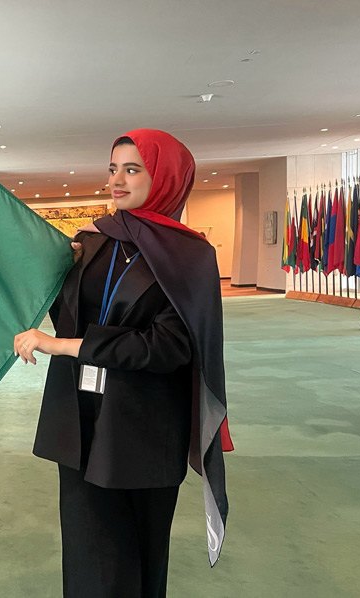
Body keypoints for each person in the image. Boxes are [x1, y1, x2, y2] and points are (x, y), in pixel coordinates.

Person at [13, 129, 231, 597]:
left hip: (143, 424)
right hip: (79, 417)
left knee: (142, 555)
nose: (117, 180)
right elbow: (72, 314)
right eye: (113, 168)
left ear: (166, 178)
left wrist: (65, 345)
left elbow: (168, 347)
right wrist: (61, 270)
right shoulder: (93, 241)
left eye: (133, 169)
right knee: (88, 555)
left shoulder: (191, 257)